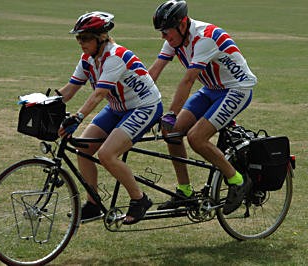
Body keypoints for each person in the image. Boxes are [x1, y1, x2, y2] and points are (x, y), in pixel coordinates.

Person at [148, 0, 257, 215]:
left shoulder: (205, 37)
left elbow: (188, 80)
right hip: (211, 88)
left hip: (236, 89)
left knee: (197, 138)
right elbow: (155, 71)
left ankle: (237, 180)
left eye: (166, 31)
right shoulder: (174, 39)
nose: (163, 37)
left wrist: (171, 113)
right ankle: (185, 191)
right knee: (171, 132)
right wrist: (141, 102)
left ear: (182, 24)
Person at [58, 11, 163, 224]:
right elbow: (69, 90)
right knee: (83, 147)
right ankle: (94, 204)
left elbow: (99, 94)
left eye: (85, 38)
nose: (81, 43)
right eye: (78, 38)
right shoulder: (88, 58)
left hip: (144, 106)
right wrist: (43, 101)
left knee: (107, 155)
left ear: (101, 37)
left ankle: (139, 199)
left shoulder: (115, 57)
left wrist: (77, 118)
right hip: (118, 107)